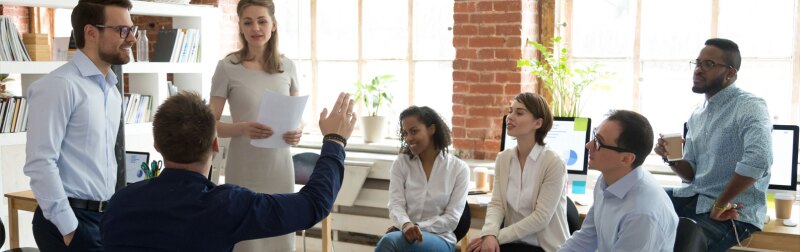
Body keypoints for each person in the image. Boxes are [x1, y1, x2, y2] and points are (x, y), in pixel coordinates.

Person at [101, 91, 356, 251]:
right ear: (215, 145)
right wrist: (334, 141)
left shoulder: (120, 202)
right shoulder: (226, 206)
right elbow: (314, 204)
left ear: (157, 145)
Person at [23, 0, 137, 250]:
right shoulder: (60, 86)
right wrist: (69, 229)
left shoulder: (112, 90)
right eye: (122, 30)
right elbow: (40, 163)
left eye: (132, 29)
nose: (131, 39)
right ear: (91, 32)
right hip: (69, 220)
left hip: (103, 218)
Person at [654, 38, 772, 252]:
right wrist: (670, 157)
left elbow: (758, 161)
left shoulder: (750, 106)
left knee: (683, 245)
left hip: (733, 210)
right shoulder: (696, 114)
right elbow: (691, 175)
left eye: (708, 64)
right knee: (640, 202)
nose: (698, 70)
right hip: (694, 197)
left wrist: (720, 203)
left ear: (730, 73)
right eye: (697, 63)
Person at [208, 0, 302, 250]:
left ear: (273, 25)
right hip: (244, 170)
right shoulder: (227, 67)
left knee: (281, 241)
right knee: (246, 243)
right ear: (240, 26)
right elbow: (209, 124)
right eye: (248, 22)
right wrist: (242, 128)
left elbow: (297, 115)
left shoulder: (288, 66)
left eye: (262, 21)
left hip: (280, 169)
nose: (255, 28)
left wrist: (297, 131)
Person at [558, 110, 678, 252]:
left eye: (598, 143)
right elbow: (585, 238)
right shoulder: (608, 179)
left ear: (626, 159)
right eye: (594, 136)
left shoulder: (642, 214)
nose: (588, 145)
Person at [467, 93, 569, 252]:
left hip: (544, 247)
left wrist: (494, 236)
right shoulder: (504, 158)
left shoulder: (553, 162)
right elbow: (497, 204)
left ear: (538, 123)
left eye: (519, 113)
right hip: (512, 243)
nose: (510, 117)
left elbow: (540, 218)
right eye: (510, 111)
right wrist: (488, 234)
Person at [375, 106, 470, 252]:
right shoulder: (401, 163)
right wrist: (406, 225)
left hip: (441, 239)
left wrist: (416, 227)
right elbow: (396, 205)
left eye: (414, 131)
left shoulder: (459, 169)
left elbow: (451, 219)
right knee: (390, 241)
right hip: (405, 235)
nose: (408, 138)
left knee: (389, 242)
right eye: (405, 133)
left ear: (431, 129)